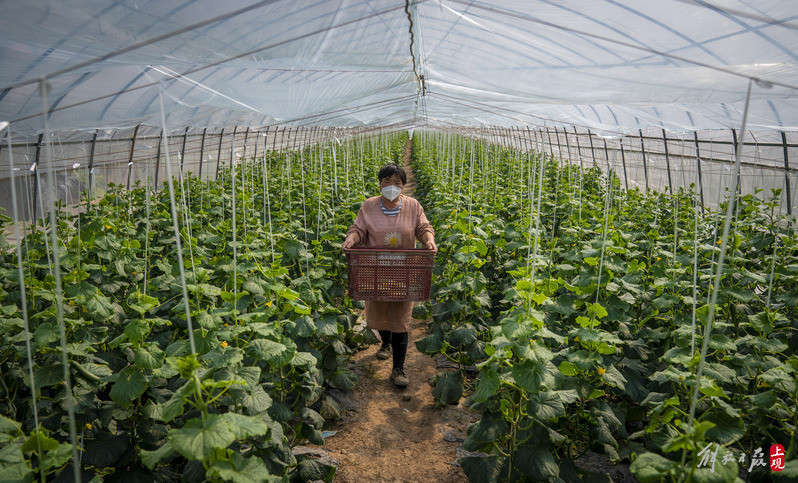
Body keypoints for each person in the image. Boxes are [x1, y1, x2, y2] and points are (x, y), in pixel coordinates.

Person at [342, 163, 437, 387]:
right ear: (380, 183)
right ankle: (385, 342)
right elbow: (358, 229)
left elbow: (423, 227)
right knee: (381, 312)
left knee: (401, 320)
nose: (391, 186)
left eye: (397, 183)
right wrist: (351, 239)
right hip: (375, 271)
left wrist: (429, 240)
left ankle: (399, 369)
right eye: (387, 181)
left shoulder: (413, 206)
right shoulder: (369, 207)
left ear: (403, 186)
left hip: (405, 272)